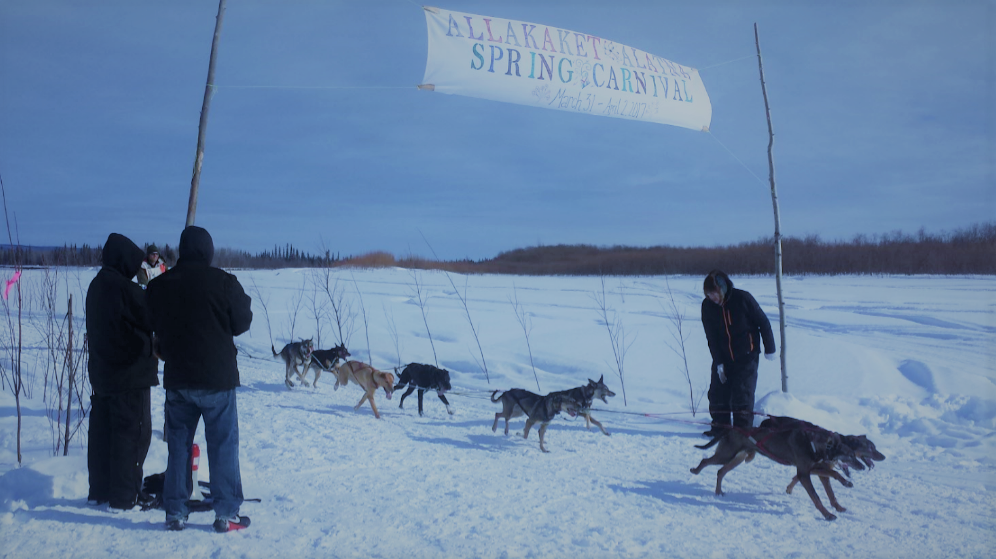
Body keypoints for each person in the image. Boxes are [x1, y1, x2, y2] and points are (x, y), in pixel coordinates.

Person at [146, 226, 253, 532]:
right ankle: (226, 513)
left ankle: (176, 512)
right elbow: (243, 320)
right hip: (217, 380)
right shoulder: (224, 282)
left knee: (178, 445)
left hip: (178, 379)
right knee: (223, 445)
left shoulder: (161, 285)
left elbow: (148, 317)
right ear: (208, 251)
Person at [85, 233, 159, 511]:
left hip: (102, 375)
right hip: (130, 375)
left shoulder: (96, 286)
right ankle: (126, 495)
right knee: (133, 434)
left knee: (104, 435)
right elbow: (152, 315)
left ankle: (100, 491)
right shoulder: (124, 289)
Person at [700, 270, 776, 434]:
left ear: (722, 288)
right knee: (717, 394)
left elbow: (763, 322)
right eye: (708, 295)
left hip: (746, 356)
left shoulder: (742, 299)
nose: (712, 298)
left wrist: (770, 348)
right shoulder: (707, 307)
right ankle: (720, 429)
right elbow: (711, 337)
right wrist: (718, 362)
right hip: (723, 357)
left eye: (714, 294)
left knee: (742, 394)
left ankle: (742, 433)